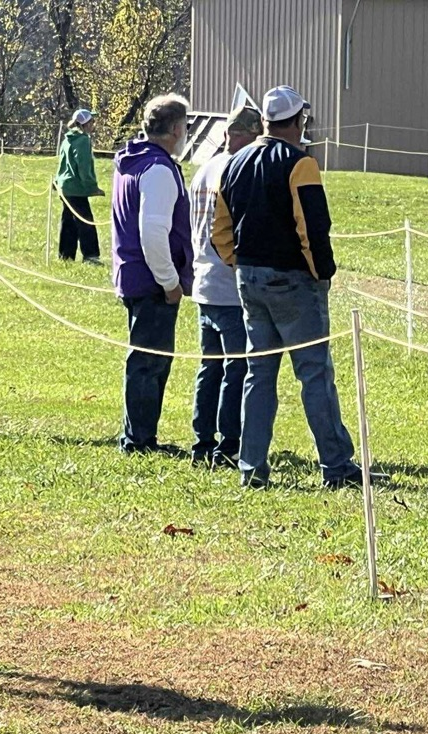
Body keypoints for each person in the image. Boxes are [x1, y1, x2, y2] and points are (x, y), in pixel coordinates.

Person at [212, 85, 361, 490]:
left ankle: (252, 469)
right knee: (314, 374)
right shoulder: (301, 164)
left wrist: (239, 263)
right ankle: (337, 467)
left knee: (258, 375)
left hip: (249, 278)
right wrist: (322, 273)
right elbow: (312, 227)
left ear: (264, 122)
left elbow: (220, 230)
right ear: (298, 122)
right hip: (293, 281)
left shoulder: (233, 162)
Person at [112, 93, 193, 454]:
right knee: (150, 361)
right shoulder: (158, 169)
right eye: (185, 126)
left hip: (133, 274)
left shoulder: (134, 161)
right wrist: (170, 282)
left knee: (145, 358)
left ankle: (138, 434)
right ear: (176, 129)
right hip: (151, 280)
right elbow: (153, 233)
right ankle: (140, 439)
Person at [189, 105, 262, 467]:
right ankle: (228, 444)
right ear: (248, 133)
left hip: (203, 279)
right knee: (237, 368)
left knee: (210, 366)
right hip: (229, 283)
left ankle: (202, 440)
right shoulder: (241, 170)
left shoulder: (203, 170)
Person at [55, 109, 104, 265]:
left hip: (65, 186)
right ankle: (91, 256)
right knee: (86, 222)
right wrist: (92, 187)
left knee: (68, 221)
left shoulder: (67, 139)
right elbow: (83, 166)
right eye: (92, 122)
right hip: (76, 188)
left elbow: (62, 163)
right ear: (86, 124)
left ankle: (66, 255)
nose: (94, 125)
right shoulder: (83, 140)